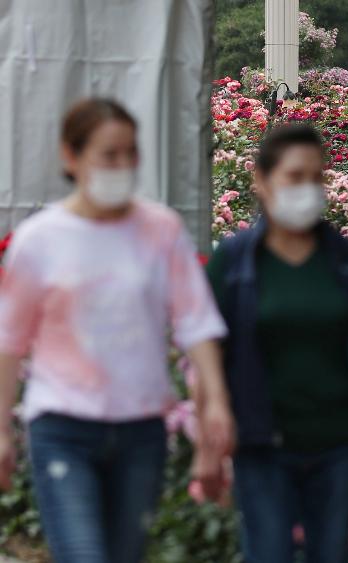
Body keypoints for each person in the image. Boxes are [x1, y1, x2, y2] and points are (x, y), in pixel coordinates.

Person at [0, 99, 233, 562]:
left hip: (140, 428)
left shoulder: (160, 230)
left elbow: (196, 321)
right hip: (62, 426)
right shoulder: (39, 239)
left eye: (130, 153)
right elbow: (10, 340)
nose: (122, 165)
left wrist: (217, 405)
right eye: (109, 154)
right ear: (72, 156)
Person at [206, 124, 348, 563]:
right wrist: (208, 437)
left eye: (317, 178)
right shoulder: (235, 262)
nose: (308, 189)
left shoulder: (340, 257)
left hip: (335, 442)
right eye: (295, 177)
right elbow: (207, 352)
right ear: (261, 179)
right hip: (263, 444)